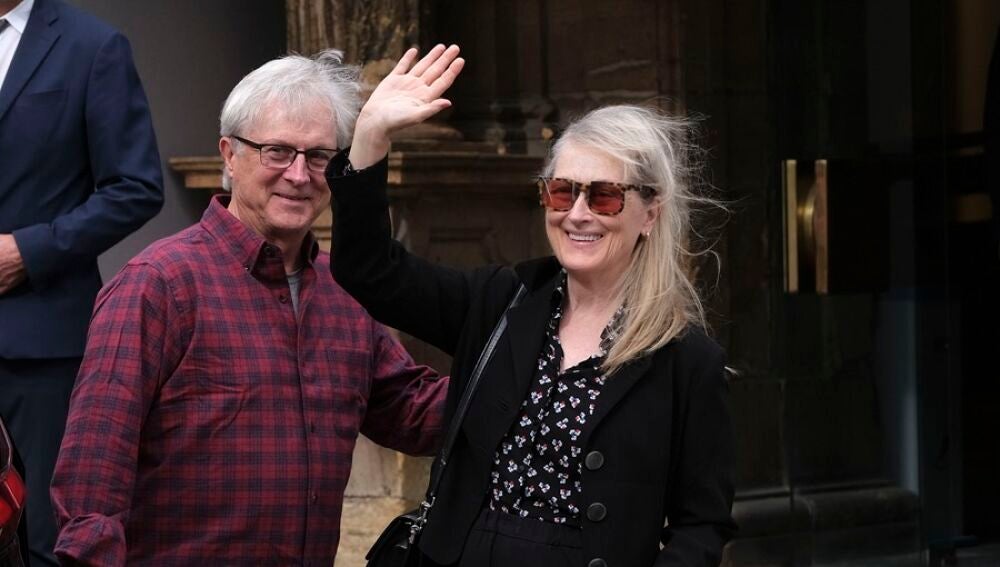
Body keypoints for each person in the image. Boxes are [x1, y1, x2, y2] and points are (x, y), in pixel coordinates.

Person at [329, 45, 736, 566]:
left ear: (650, 214)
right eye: (562, 193)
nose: (579, 215)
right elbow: (369, 270)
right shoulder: (501, 302)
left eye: (605, 196)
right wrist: (369, 136)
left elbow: (701, 524)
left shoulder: (686, 360)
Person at [50, 49, 450, 565]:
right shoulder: (159, 286)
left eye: (320, 157)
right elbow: (91, 481)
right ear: (229, 155)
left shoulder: (342, 291)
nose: (300, 174)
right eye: (277, 151)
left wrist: (540, 357)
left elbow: (413, 413)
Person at [0, 0, 163, 564]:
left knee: (46, 540)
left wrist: (28, 250)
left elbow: (136, 187)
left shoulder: (93, 46)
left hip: (43, 345)